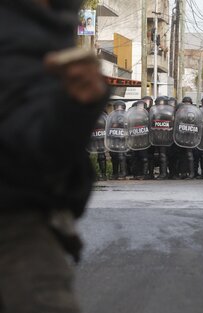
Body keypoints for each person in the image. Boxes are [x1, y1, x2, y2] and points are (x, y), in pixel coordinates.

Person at [0, 1, 108, 312]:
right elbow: (29, 146)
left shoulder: (49, 28)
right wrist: (76, 108)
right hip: (15, 230)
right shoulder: (17, 35)